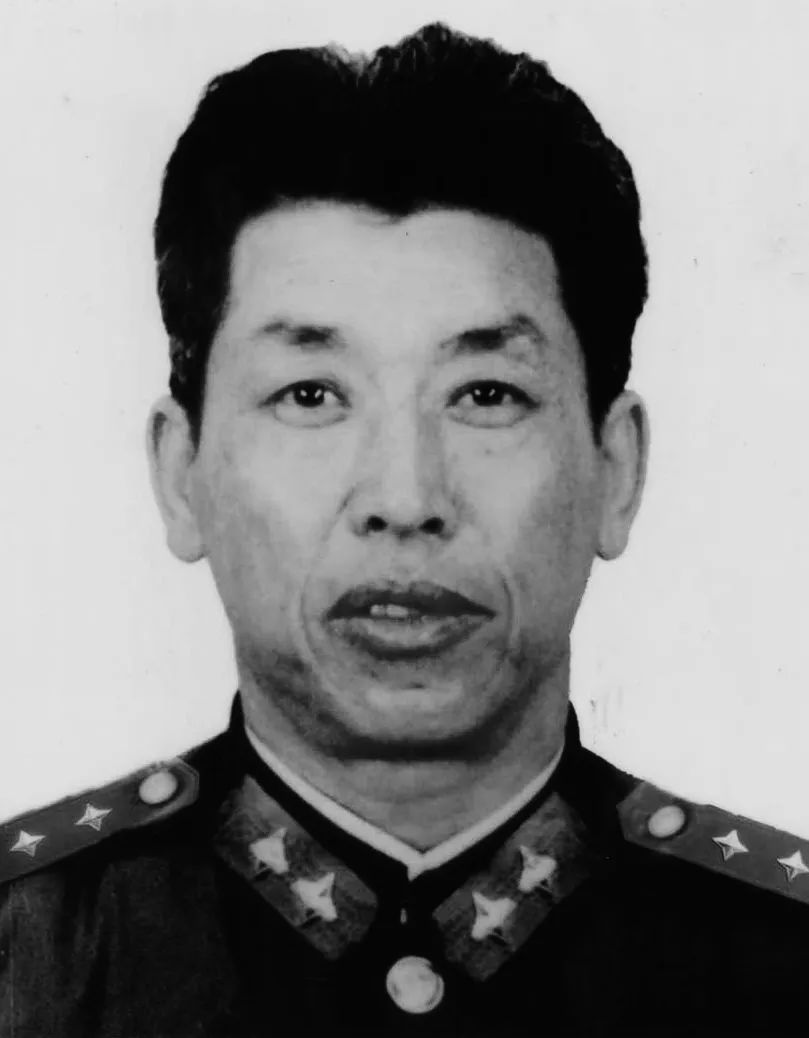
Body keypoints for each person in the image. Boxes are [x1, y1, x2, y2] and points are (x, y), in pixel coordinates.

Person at [1, 22, 807, 1037]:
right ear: (179, 473)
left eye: (485, 393)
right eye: (309, 394)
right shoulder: (32, 956)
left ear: (615, 469)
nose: (404, 494)